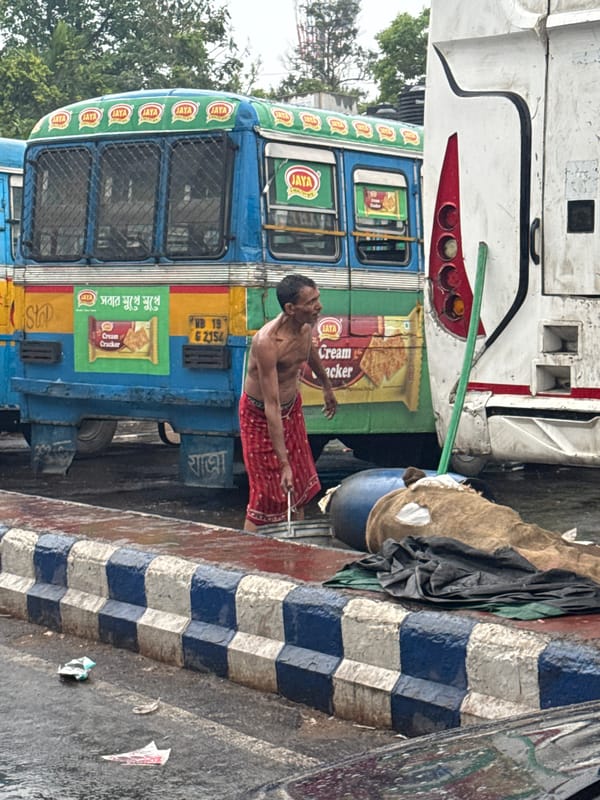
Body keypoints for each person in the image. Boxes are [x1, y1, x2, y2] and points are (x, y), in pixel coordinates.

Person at [239, 274, 337, 531]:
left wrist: (327, 386)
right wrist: (284, 464)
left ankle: (294, 546)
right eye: (311, 302)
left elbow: (309, 352)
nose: (318, 306)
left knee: (298, 487)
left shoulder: (304, 327)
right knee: (266, 495)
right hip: (261, 416)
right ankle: (247, 549)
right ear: (291, 308)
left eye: (317, 299)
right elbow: (271, 405)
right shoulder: (267, 342)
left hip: (291, 409)